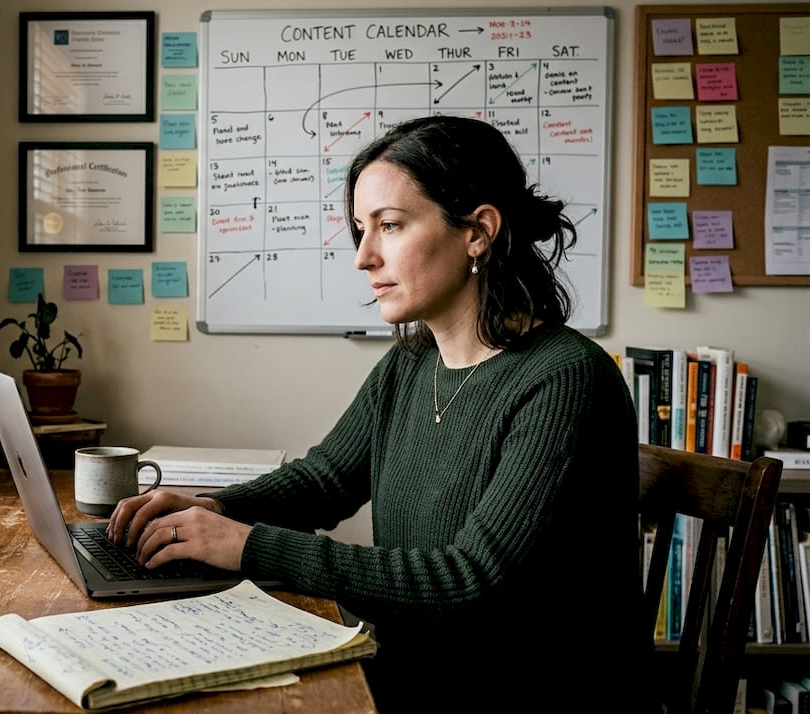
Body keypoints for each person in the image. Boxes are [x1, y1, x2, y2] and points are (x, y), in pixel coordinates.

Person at [107, 115, 651, 711]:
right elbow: (325, 481)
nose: (364, 257)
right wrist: (216, 508)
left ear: (479, 231)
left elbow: (472, 581)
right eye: (361, 229)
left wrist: (247, 545)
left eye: (389, 226)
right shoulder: (413, 362)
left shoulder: (565, 378)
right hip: (405, 672)